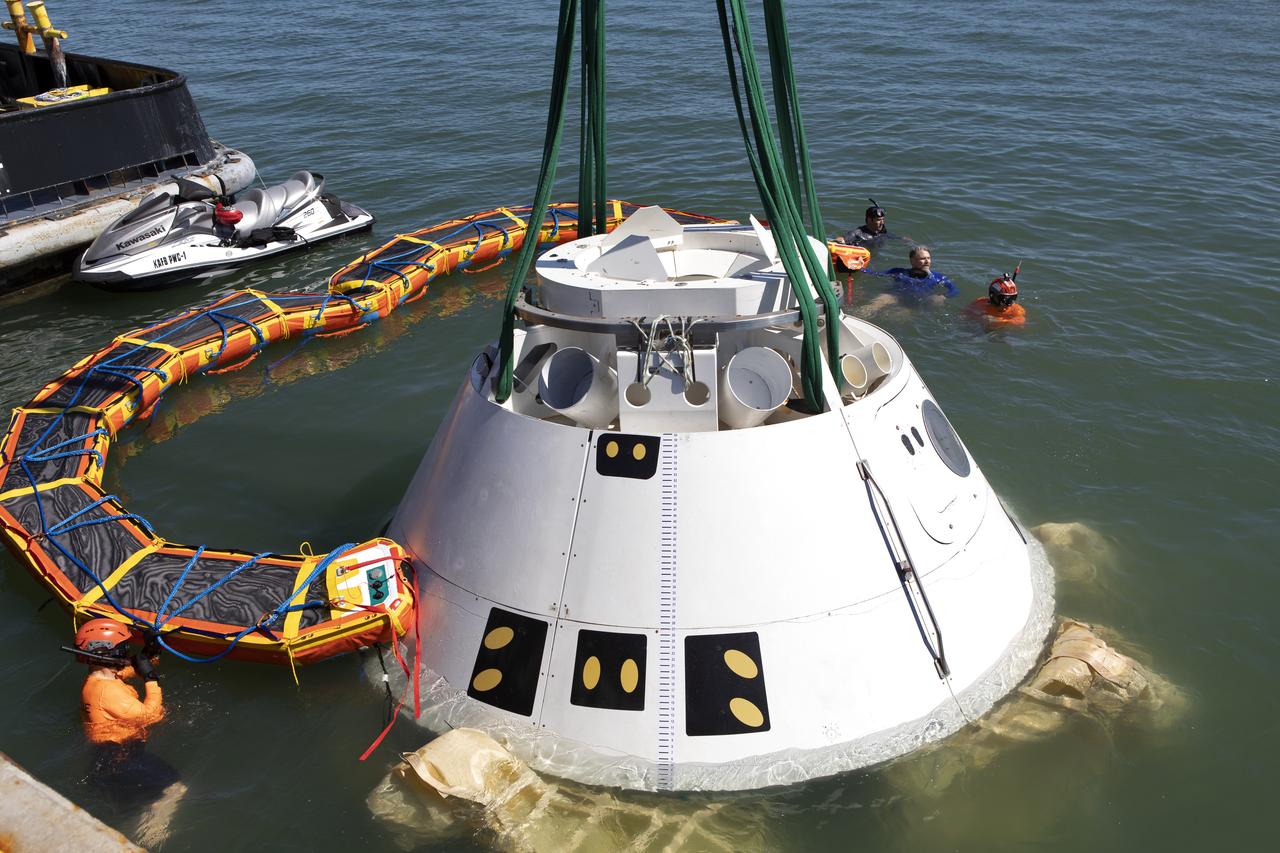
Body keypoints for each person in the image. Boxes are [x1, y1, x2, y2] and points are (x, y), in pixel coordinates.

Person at [73, 618, 186, 847]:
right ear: (106, 653)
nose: (126, 651)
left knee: (146, 804)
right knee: (173, 790)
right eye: (122, 648)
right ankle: (147, 842)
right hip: (121, 758)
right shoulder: (107, 692)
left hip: (109, 758)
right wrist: (151, 679)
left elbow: (126, 671)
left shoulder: (97, 679)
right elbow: (151, 716)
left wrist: (148, 655)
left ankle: (124, 841)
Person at [878, 246, 959, 298]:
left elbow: (954, 290)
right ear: (912, 260)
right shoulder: (899, 272)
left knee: (902, 314)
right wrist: (864, 266)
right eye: (923, 259)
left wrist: (942, 296)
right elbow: (875, 274)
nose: (927, 261)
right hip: (896, 297)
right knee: (882, 298)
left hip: (916, 304)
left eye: (929, 258)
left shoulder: (937, 277)